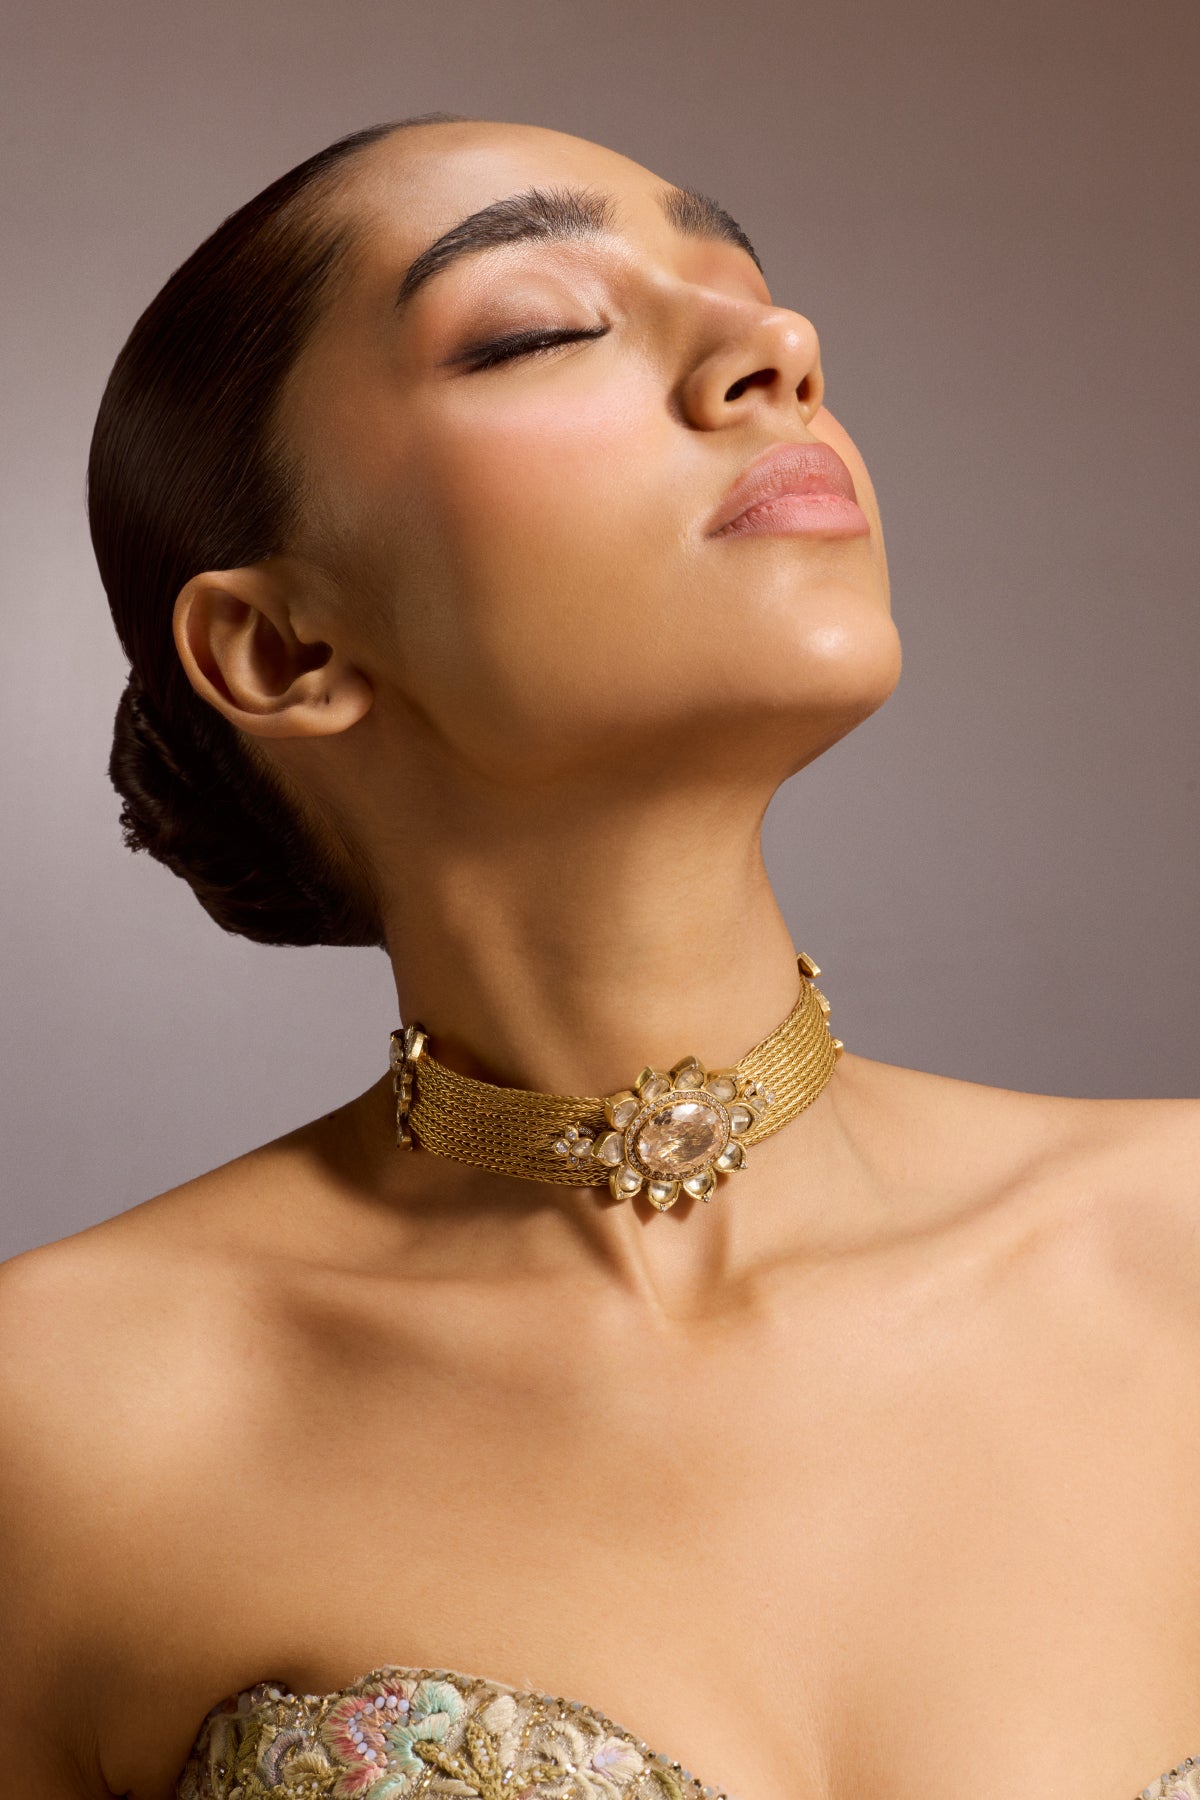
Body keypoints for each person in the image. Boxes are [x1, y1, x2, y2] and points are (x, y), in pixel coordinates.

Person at [1, 114, 1197, 1800]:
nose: (776, 348)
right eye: (540, 328)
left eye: (751, 288)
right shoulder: (59, 1419)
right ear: (279, 647)